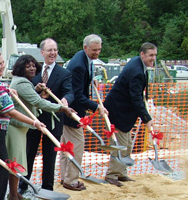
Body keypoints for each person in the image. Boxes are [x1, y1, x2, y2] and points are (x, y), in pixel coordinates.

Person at [0, 49, 46, 200]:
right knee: (0, 169)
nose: (2, 66)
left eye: (3, 62)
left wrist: (8, 90)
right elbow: (10, 111)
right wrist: (34, 122)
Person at [7, 54, 75, 200]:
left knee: (19, 162)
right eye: (27, 66)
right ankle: (12, 196)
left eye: (33, 65)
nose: (31, 68)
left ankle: (15, 194)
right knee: (16, 164)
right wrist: (61, 107)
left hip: (21, 128)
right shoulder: (22, 82)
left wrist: (38, 93)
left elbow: (31, 101)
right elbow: (37, 102)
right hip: (16, 128)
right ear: (20, 68)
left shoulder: (24, 82)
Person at [19, 38, 74, 194]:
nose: (53, 53)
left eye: (55, 50)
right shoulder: (33, 72)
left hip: (54, 120)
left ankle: (47, 188)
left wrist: (65, 100)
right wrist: (37, 91)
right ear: (42, 52)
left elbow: (70, 92)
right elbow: (29, 93)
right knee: (29, 152)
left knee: (50, 155)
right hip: (34, 119)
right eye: (50, 50)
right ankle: (23, 185)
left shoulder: (64, 73)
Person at [104, 42, 157, 187]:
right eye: (150, 55)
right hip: (118, 111)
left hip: (125, 111)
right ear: (142, 54)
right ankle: (111, 175)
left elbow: (139, 96)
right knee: (120, 145)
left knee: (126, 144)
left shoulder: (139, 64)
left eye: (155, 55)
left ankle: (121, 173)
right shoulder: (137, 72)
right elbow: (136, 99)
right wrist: (147, 118)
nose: (153, 58)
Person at [63, 34, 108, 191]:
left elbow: (81, 85)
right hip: (72, 111)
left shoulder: (85, 60)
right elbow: (77, 95)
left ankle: (65, 178)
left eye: (99, 50)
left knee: (66, 147)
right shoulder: (78, 65)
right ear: (85, 48)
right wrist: (96, 107)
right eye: (94, 50)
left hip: (71, 110)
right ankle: (71, 180)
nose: (97, 53)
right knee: (77, 146)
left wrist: (90, 81)